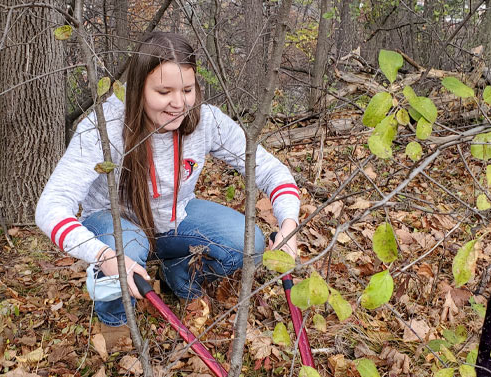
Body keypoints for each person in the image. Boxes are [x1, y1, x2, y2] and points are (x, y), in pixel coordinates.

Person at [35, 32, 300, 327]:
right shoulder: (104, 125)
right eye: (164, 92)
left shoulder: (207, 120)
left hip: (176, 220)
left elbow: (270, 169)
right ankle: (114, 321)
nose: (179, 103)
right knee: (126, 248)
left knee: (248, 243)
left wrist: (289, 224)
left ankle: (179, 273)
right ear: (138, 88)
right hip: (114, 223)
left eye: (187, 89)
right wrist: (104, 255)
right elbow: (51, 207)